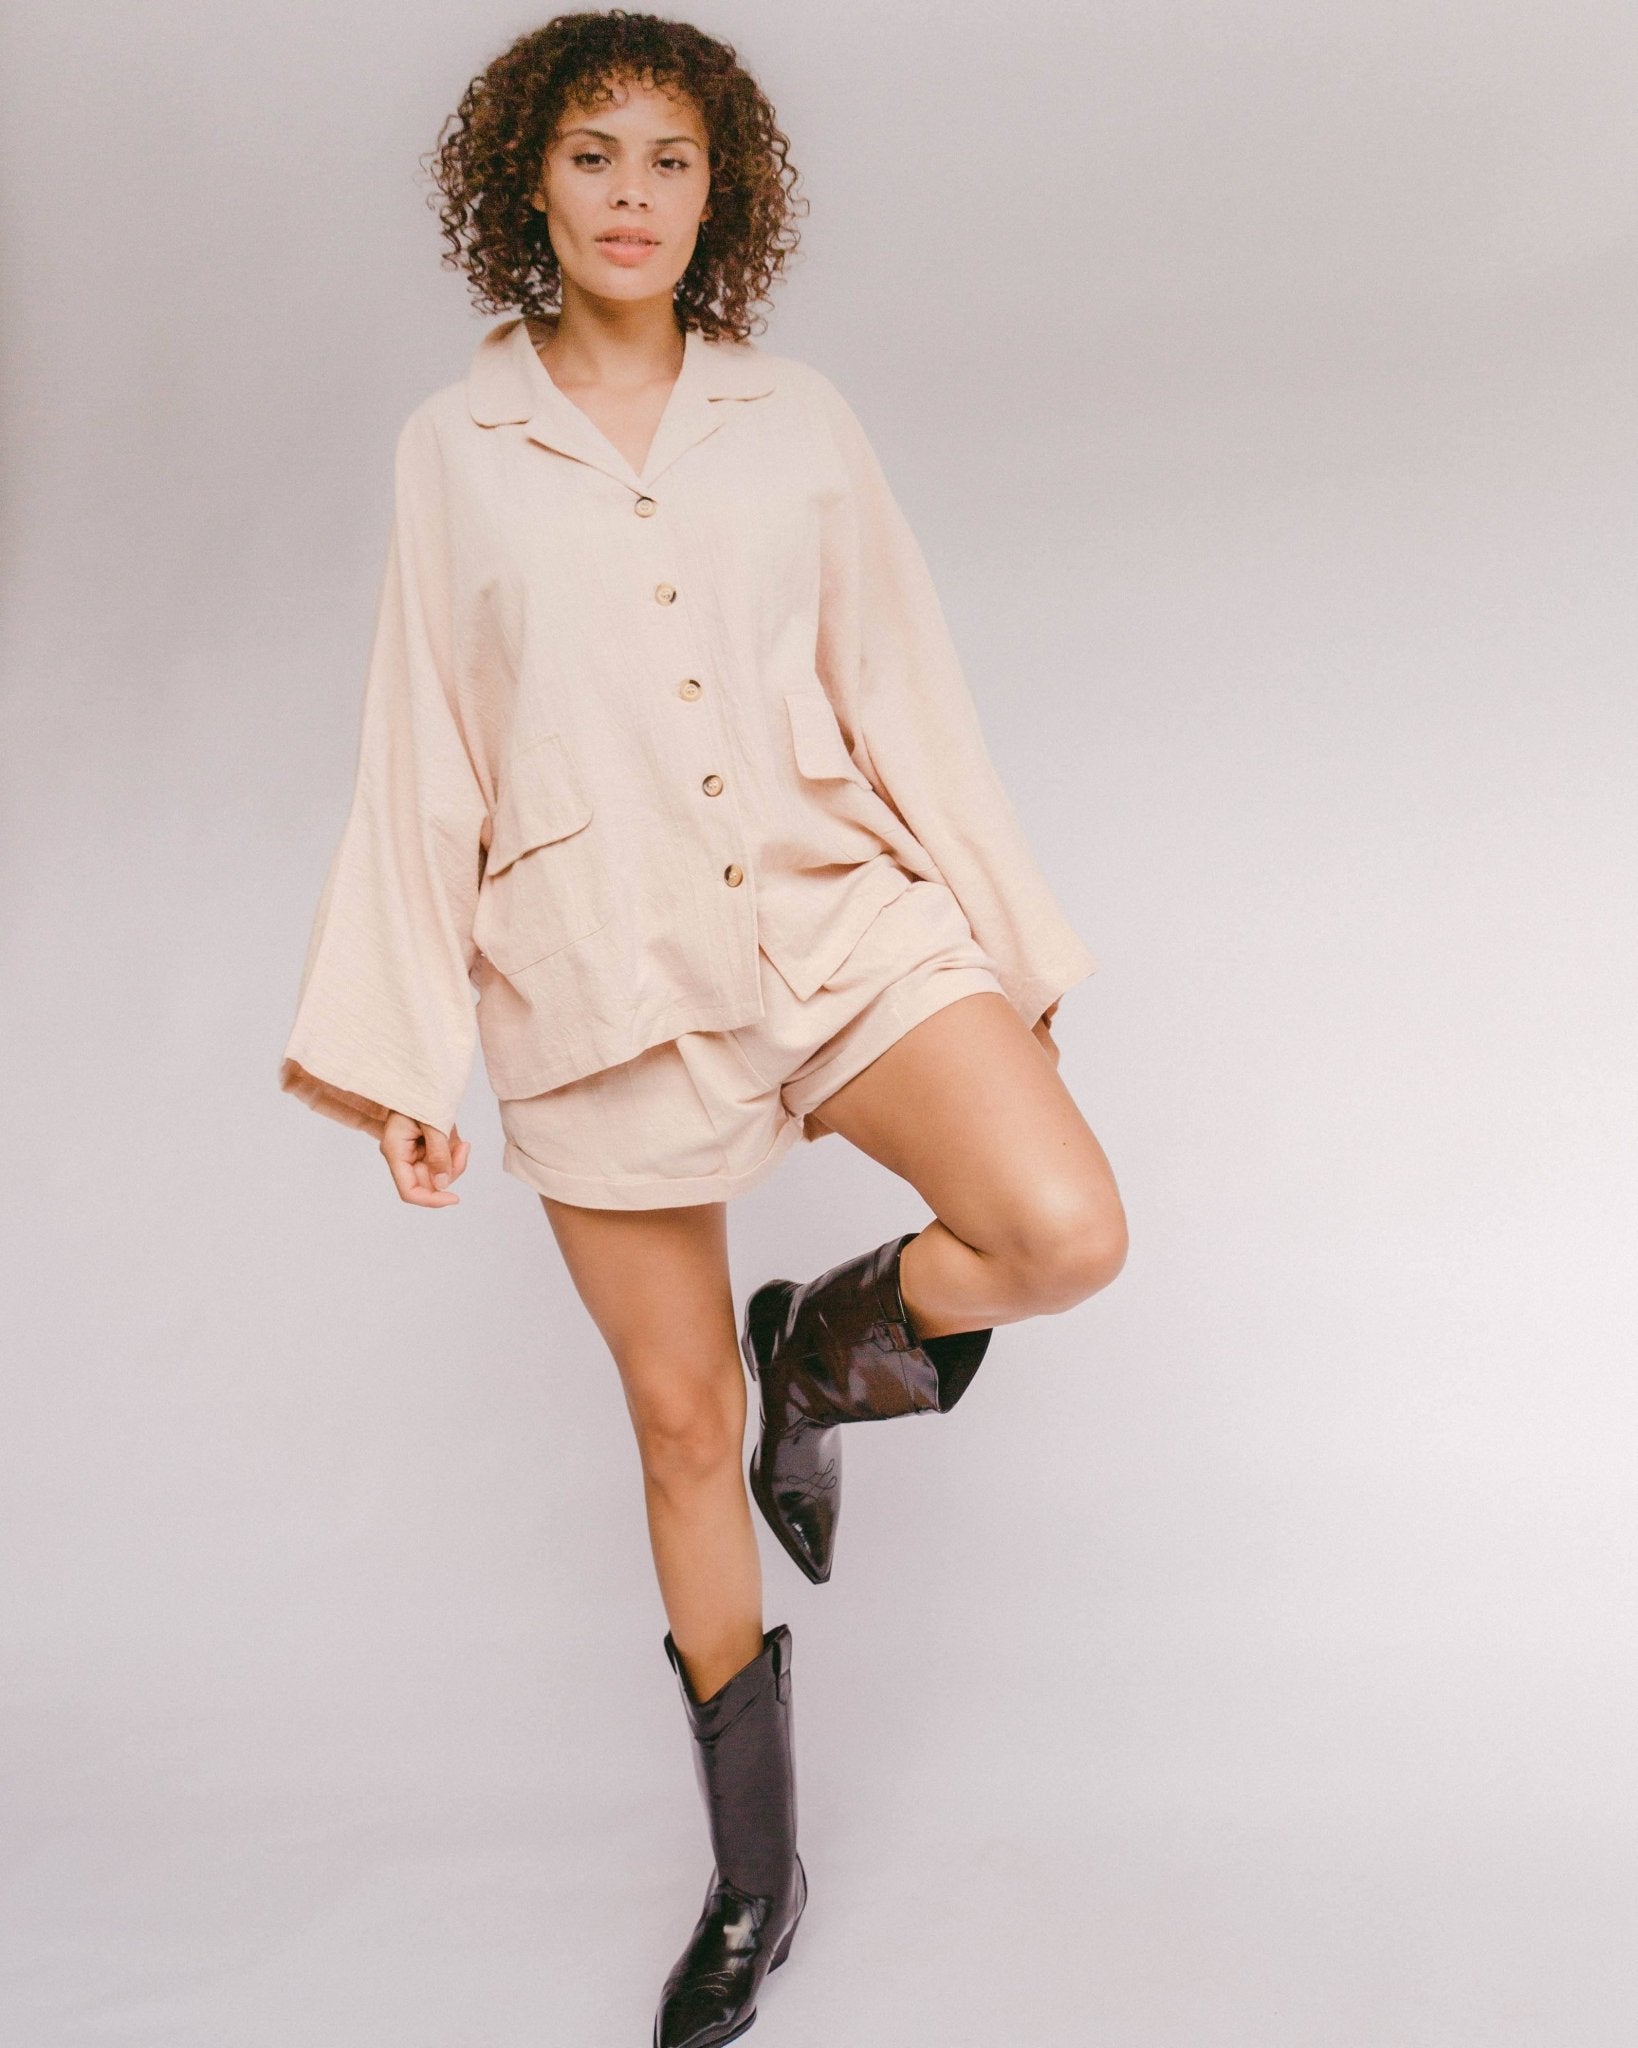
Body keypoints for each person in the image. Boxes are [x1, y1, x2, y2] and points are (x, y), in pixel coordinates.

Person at [278, 14, 1128, 2045]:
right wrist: (402, 1053)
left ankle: (816, 1348)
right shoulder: (455, 450)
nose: (634, 193)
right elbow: (426, 751)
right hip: (595, 959)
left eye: (672, 157)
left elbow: (903, 683)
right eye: (595, 153)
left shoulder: (795, 419)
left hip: (828, 908)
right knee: (674, 1430)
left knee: (1060, 1228)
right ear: (529, 181)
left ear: (719, 190)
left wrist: (1012, 949)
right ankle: (755, 1879)